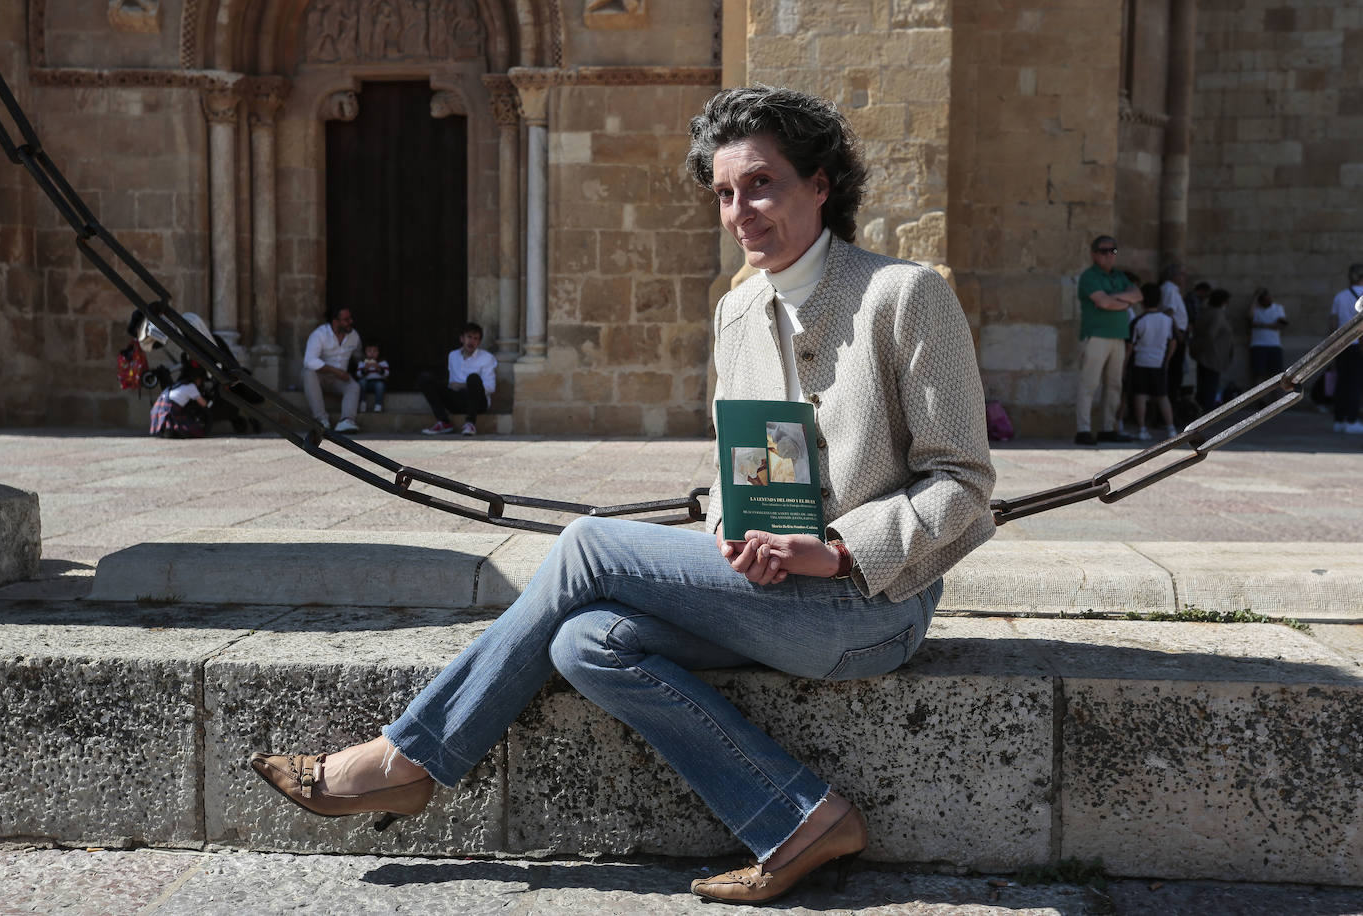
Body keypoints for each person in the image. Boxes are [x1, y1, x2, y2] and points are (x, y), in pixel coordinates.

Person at [250, 86, 995, 906]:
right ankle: (800, 817)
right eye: (722, 193)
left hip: (870, 606)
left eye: (761, 184)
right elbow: (740, 471)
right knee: (585, 642)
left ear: (821, 184)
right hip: (769, 595)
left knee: (590, 544)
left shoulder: (904, 294)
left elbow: (962, 482)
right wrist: (728, 528)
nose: (740, 210)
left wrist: (841, 549)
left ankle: (404, 761)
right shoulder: (738, 311)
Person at [1075, 236, 1142, 444]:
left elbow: (1137, 295)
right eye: (1103, 251)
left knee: (1114, 385)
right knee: (1089, 384)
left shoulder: (1119, 276)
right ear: (1094, 254)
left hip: (1118, 337)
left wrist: (1115, 300)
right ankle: (1083, 430)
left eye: (1112, 251)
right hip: (1096, 336)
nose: (1108, 255)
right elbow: (1103, 302)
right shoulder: (1089, 277)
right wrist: (1124, 301)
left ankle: (1107, 427)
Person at [419, 322, 497, 436]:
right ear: (462, 338)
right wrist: (453, 386)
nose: (472, 341)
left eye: (476, 338)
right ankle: (444, 422)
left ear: (479, 342)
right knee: (425, 378)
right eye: (469, 337)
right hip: (457, 400)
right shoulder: (453, 355)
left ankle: (470, 424)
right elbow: (452, 382)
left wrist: (463, 385)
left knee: (473, 378)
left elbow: (490, 387)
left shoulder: (487, 358)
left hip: (478, 402)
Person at [1127, 283, 1176, 440]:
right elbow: (1173, 342)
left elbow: (1130, 345)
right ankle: (1171, 429)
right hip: (1159, 362)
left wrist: (1125, 363)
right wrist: (1167, 359)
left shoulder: (1138, 321)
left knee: (1140, 395)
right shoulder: (1167, 320)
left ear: (1142, 301)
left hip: (1141, 361)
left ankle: (1142, 429)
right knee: (1162, 396)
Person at [303, 307, 362, 433]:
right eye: (346, 319)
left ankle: (347, 421)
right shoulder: (319, 334)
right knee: (308, 372)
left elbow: (359, 358)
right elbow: (309, 361)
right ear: (335, 322)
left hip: (339, 379)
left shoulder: (354, 336)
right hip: (320, 377)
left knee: (354, 386)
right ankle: (321, 420)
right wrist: (336, 371)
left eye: (350, 318)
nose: (350, 322)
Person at [1329, 264, 1363, 434]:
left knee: (1342, 383)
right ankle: (1351, 419)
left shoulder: (1340, 296)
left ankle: (1339, 420)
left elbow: (1333, 323)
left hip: (1342, 345)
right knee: (1355, 384)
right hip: (1358, 345)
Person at [1190, 288, 1234, 412]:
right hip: (1212, 356)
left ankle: (1202, 411)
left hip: (1205, 356)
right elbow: (1210, 335)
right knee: (1209, 387)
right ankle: (1206, 414)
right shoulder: (1217, 314)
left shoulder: (1206, 312)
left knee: (1204, 386)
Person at [1158, 262, 1190, 397]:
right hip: (1175, 335)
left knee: (1177, 371)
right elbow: (1169, 312)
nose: (1184, 277)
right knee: (1174, 371)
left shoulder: (1173, 289)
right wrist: (1177, 333)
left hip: (1178, 333)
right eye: (1181, 274)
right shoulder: (1169, 289)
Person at [148, 367, 208, 438]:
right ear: (197, 379)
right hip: (170, 407)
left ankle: (168, 429)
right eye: (201, 380)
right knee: (196, 431)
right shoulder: (191, 387)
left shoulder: (180, 384)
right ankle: (172, 430)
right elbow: (203, 403)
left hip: (160, 405)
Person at [1248, 287, 1287, 390]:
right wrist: (1255, 297)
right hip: (1258, 345)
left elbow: (1281, 325)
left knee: (1276, 375)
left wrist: (1260, 325)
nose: (1269, 301)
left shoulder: (1278, 308)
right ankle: (1259, 400)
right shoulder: (1256, 309)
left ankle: (1276, 401)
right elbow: (1250, 318)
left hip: (1274, 345)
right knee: (1258, 374)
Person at [355, 343, 390, 413]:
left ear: (378, 352)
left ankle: (378, 405)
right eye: (369, 351)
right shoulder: (362, 363)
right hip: (366, 383)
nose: (372, 353)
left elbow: (386, 374)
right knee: (361, 382)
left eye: (374, 351)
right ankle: (363, 403)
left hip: (378, 382)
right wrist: (365, 369)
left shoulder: (382, 362)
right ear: (365, 352)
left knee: (380, 385)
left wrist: (378, 368)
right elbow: (358, 374)